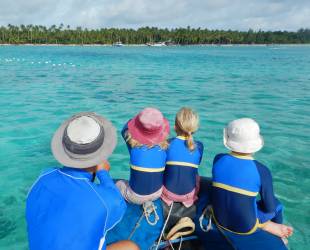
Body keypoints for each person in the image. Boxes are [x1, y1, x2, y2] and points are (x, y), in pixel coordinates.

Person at [26, 112, 139, 250]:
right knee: (130, 247)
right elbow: (117, 203)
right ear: (100, 155)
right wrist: (103, 173)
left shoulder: (43, 177)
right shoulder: (106, 201)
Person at [211, 118, 293, 242]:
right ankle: (278, 236)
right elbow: (270, 208)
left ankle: (265, 225)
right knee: (277, 205)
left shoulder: (218, 159)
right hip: (246, 227)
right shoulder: (262, 170)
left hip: (219, 219)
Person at [116, 107, 170, 204]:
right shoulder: (164, 148)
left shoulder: (134, 148)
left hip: (136, 198)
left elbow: (124, 129)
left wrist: (136, 121)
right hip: (157, 193)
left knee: (118, 183)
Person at [161, 107, 204, 207]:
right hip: (188, 196)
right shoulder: (199, 146)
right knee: (196, 174)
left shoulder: (167, 144)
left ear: (175, 127)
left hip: (168, 194)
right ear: (195, 128)